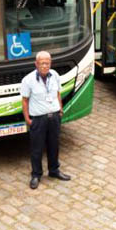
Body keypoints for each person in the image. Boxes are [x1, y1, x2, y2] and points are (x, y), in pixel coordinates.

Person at [21, 51, 71, 189]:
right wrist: (27, 119)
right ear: (36, 64)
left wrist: (60, 109)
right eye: (42, 63)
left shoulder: (54, 75)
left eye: (47, 63)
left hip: (54, 117)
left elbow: (57, 93)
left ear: (50, 63)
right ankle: (36, 174)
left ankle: (54, 171)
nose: (45, 66)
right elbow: (25, 101)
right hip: (38, 119)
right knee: (37, 149)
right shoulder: (28, 80)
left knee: (54, 145)